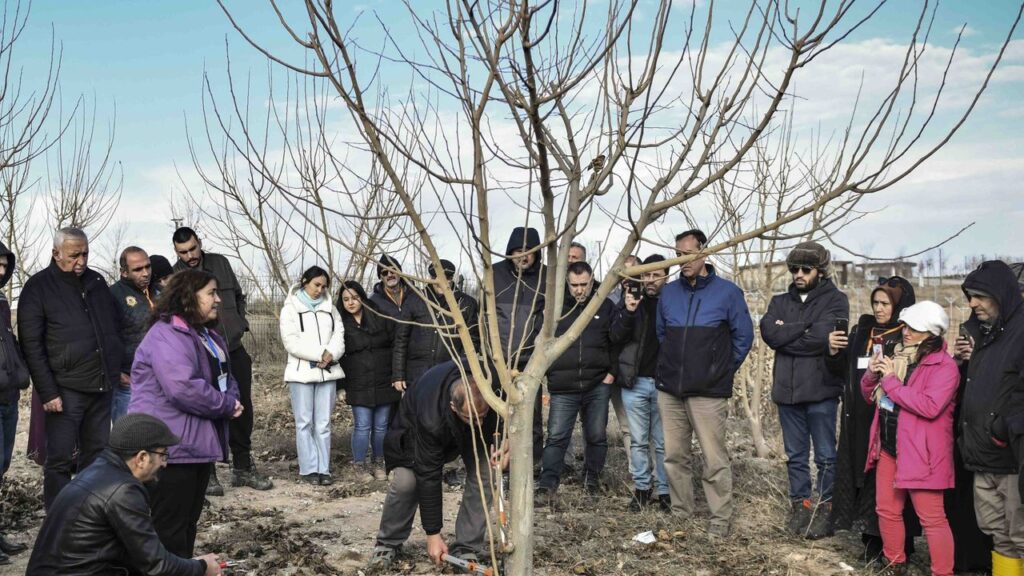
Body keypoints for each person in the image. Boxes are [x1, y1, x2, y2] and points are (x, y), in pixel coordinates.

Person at [128, 269, 243, 558]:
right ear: (189, 297)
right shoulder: (167, 334)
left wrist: (232, 398)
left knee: (187, 524)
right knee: (169, 528)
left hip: (195, 443)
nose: (217, 300)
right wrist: (226, 405)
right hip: (169, 449)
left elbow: (227, 376)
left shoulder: (204, 334)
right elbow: (182, 388)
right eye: (210, 293)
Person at [26, 413, 223, 575]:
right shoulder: (124, 491)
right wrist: (202, 567)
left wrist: (186, 564)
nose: (165, 463)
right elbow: (157, 566)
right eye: (163, 454)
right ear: (142, 458)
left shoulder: (100, 470)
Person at [18, 227, 127, 510]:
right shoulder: (38, 287)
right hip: (65, 391)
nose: (81, 261)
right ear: (56, 253)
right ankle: (58, 518)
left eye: (85, 254)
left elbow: (114, 328)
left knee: (97, 456)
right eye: (74, 255)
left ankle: (88, 515)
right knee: (60, 460)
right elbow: (31, 345)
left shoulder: (97, 282)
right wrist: (48, 391)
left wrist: (117, 367)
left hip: (101, 387)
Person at [656, 231, 754, 536]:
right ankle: (681, 514)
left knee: (714, 459)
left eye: (688, 254)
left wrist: (720, 370)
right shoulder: (668, 293)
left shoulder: (728, 293)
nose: (682, 261)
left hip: (709, 390)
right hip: (671, 389)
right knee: (674, 456)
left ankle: (719, 521)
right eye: (678, 254)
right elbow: (663, 335)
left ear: (705, 254)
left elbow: (744, 337)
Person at [367, 360, 501, 573]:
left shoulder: (492, 384)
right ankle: (388, 543)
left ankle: (467, 546)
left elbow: (510, 413)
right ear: (453, 407)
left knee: (487, 474)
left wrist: (507, 442)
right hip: (412, 434)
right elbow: (429, 475)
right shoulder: (431, 416)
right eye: (471, 418)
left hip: (471, 433)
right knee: (406, 482)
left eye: (482, 417)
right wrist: (433, 535)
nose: (479, 423)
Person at [861, 301, 958, 576]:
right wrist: (872, 373)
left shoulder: (945, 367)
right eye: (906, 326)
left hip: (922, 454)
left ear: (931, 333)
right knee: (887, 510)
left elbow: (929, 406)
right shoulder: (899, 356)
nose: (906, 332)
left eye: (915, 328)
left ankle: (943, 572)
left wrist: (891, 380)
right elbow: (868, 396)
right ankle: (895, 563)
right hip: (890, 447)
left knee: (933, 519)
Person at [760, 240, 848, 539]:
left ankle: (825, 507)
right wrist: (805, 328)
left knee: (825, 455)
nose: (798, 274)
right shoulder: (779, 301)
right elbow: (770, 334)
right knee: (795, 456)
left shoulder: (836, 301)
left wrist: (790, 332)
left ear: (820, 271)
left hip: (821, 391)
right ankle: (800, 504)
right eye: (794, 268)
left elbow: (824, 336)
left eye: (805, 269)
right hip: (787, 392)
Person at [172, 227, 271, 494]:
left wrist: (241, 323)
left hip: (234, 349)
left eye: (193, 248)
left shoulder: (220, 263)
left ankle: (242, 467)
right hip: (203, 353)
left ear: (199, 243)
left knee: (241, 408)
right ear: (176, 252)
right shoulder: (176, 276)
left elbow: (238, 296)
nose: (190, 255)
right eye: (183, 252)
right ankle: (209, 472)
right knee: (207, 409)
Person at [827, 276, 919, 562]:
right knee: (860, 479)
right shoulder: (862, 329)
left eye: (885, 303)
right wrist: (832, 352)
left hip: (887, 420)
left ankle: (893, 543)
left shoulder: (908, 334)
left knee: (884, 483)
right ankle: (869, 537)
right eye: (875, 302)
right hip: (857, 416)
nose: (879, 309)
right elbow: (843, 370)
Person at [535, 260, 626, 501]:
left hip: (597, 383)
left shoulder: (604, 305)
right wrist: (549, 372)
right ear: (567, 283)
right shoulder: (555, 309)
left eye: (584, 284)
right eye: (574, 285)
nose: (579, 290)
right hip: (563, 386)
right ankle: (547, 486)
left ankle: (592, 480)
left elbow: (616, 342)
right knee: (556, 437)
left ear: (592, 279)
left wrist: (611, 373)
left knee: (596, 435)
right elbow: (542, 343)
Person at [955, 260, 1024, 574]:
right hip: (983, 457)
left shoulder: (1020, 333)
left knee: (1020, 535)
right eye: (970, 295)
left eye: (980, 296)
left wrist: (1001, 428)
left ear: (1001, 294)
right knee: (1000, 536)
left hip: (1012, 458)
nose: (972, 303)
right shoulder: (983, 334)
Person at [613, 254, 671, 512]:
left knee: (662, 441)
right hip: (635, 383)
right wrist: (628, 310)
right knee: (637, 440)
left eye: (655, 275)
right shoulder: (630, 301)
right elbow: (614, 336)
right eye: (646, 275)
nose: (649, 280)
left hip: (664, 384)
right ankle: (642, 489)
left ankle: (665, 491)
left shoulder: (673, 302)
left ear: (665, 277)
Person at [279, 266, 345, 485]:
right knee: (304, 422)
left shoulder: (331, 308)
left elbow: (339, 335)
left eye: (324, 286)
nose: (320, 289)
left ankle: (324, 469)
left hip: (328, 372)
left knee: (324, 423)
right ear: (305, 281)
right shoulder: (290, 308)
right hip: (302, 374)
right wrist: (319, 353)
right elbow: (290, 342)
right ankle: (308, 469)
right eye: (316, 284)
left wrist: (331, 353)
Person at [493, 227, 547, 463]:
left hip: (530, 361)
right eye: (517, 251)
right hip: (499, 358)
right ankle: (496, 461)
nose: (523, 256)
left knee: (530, 415)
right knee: (496, 415)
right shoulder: (494, 273)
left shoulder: (546, 276)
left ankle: (531, 463)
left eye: (528, 251)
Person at [338, 280, 400, 481]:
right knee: (362, 426)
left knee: (381, 426)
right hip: (357, 382)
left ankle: (379, 462)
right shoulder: (339, 324)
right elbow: (337, 356)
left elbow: (396, 345)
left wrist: (397, 375)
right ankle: (359, 465)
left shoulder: (379, 317)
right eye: (346, 299)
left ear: (362, 298)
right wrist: (341, 387)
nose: (350, 302)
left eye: (354, 297)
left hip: (383, 379)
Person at [0, 241, 29, 563]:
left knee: (2, 466)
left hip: (8, 395)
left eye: (5, 265)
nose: (1, 270)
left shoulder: (1, 301)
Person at [371, 254, 434, 392]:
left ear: (400, 271)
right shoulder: (374, 302)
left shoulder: (417, 295)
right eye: (384, 272)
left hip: (415, 361)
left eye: (393, 270)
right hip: (389, 361)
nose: (390, 274)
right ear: (380, 277)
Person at [110, 246, 159, 422]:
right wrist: (117, 372)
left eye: (148, 267)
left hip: (160, 378)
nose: (145, 273)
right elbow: (106, 337)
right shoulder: (112, 295)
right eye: (138, 269)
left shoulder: (158, 292)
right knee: (129, 437)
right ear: (124, 272)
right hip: (129, 381)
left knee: (158, 435)